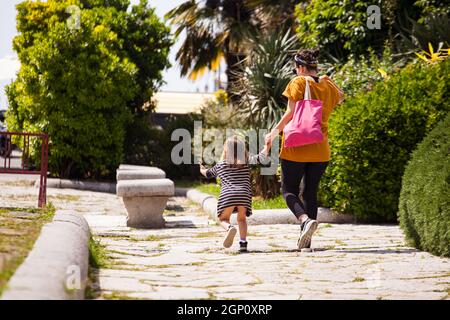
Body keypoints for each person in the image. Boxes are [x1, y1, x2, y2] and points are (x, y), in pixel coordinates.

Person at [265, 48, 344, 251]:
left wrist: (273, 134)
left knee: (288, 190)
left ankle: (304, 220)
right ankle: (307, 244)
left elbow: (291, 113)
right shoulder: (327, 85)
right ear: (315, 67)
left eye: (295, 67)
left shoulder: (298, 82)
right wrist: (328, 80)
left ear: (300, 67)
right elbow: (341, 97)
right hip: (320, 149)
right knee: (310, 192)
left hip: (297, 147)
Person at [200, 136, 269, 252]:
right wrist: (268, 145)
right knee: (241, 219)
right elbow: (261, 157)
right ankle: (243, 243)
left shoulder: (221, 165)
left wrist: (201, 169)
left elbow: (207, 174)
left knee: (223, 219)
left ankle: (230, 228)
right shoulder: (246, 162)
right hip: (244, 195)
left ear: (226, 150)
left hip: (228, 196)